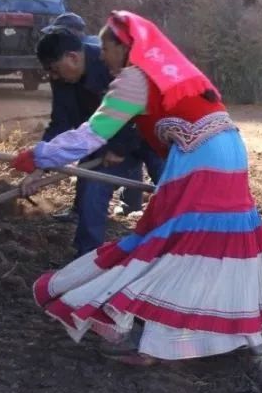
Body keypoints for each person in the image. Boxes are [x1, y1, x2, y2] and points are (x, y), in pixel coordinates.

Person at [11, 10, 262, 365]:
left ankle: (131, 330)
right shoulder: (168, 70)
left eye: (106, 48)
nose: (101, 56)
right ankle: (245, 342)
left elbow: (91, 134)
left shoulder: (134, 78)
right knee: (218, 243)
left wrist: (38, 155)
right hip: (229, 151)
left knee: (163, 244)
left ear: (126, 48)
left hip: (198, 157)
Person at [30, 26, 163, 254]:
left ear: (72, 57)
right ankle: (86, 257)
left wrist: (120, 147)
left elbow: (143, 109)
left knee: (172, 187)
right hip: (103, 140)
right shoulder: (62, 79)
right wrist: (39, 165)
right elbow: (60, 123)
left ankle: (177, 249)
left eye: (53, 69)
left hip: (150, 137)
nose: (52, 76)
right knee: (92, 187)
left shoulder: (112, 62)